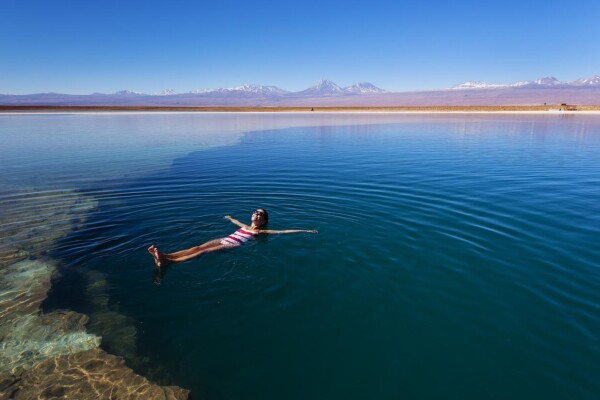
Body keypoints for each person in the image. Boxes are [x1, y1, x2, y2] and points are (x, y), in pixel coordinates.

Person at [148, 209, 317, 268]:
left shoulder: (262, 232)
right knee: (198, 247)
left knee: (204, 252)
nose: (256, 214)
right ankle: (166, 256)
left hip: (232, 245)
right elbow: (235, 220)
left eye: (260, 214)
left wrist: (305, 230)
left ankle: (170, 262)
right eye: (255, 212)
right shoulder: (244, 226)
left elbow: (283, 231)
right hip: (223, 238)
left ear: (264, 220)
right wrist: (229, 218)